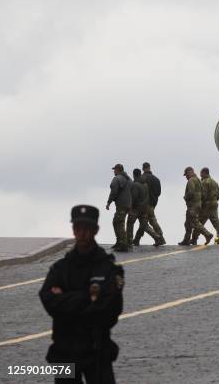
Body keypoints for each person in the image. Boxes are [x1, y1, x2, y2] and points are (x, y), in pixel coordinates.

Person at [39, 205, 124, 384]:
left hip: (96, 350)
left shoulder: (108, 268)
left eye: (87, 228)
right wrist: (87, 298)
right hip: (64, 351)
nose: (82, 233)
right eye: (78, 228)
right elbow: (47, 298)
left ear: (95, 230)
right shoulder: (61, 267)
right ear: (73, 230)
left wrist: (66, 300)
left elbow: (109, 309)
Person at [127, 169, 164, 248]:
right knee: (145, 226)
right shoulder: (145, 185)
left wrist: (129, 207)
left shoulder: (135, 185)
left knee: (130, 223)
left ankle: (129, 241)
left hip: (136, 209)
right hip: (144, 208)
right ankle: (157, 237)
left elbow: (133, 198)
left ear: (134, 175)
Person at [191, 167, 219, 245]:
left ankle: (194, 239)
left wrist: (200, 204)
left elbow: (203, 195)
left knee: (199, 221)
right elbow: (218, 195)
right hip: (214, 204)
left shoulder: (204, 182)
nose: (200, 175)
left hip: (206, 205)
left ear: (204, 173)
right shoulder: (215, 182)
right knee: (216, 222)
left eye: (201, 173)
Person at [105, 164, 132, 252]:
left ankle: (123, 244)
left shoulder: (117, 179)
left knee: (118, 222)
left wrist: (109, 202)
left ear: (118, 170)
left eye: (115, 170)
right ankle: (120, 242)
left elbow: (113, 192)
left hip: (121, 204)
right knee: (119, 222)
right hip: (128, 204)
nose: (114, 171)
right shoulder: (129, 179)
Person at [179, 166, 205, 246]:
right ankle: (186, 240)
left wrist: (185, 197)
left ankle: (207, 234)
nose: (186, 176)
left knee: (194, 222)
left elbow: (191, 192)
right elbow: (203, 193)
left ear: (190, 172)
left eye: (186, 174)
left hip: (192, 205)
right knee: (188, 223)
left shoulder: (191, 180)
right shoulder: (198, 180)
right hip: (197, 204)